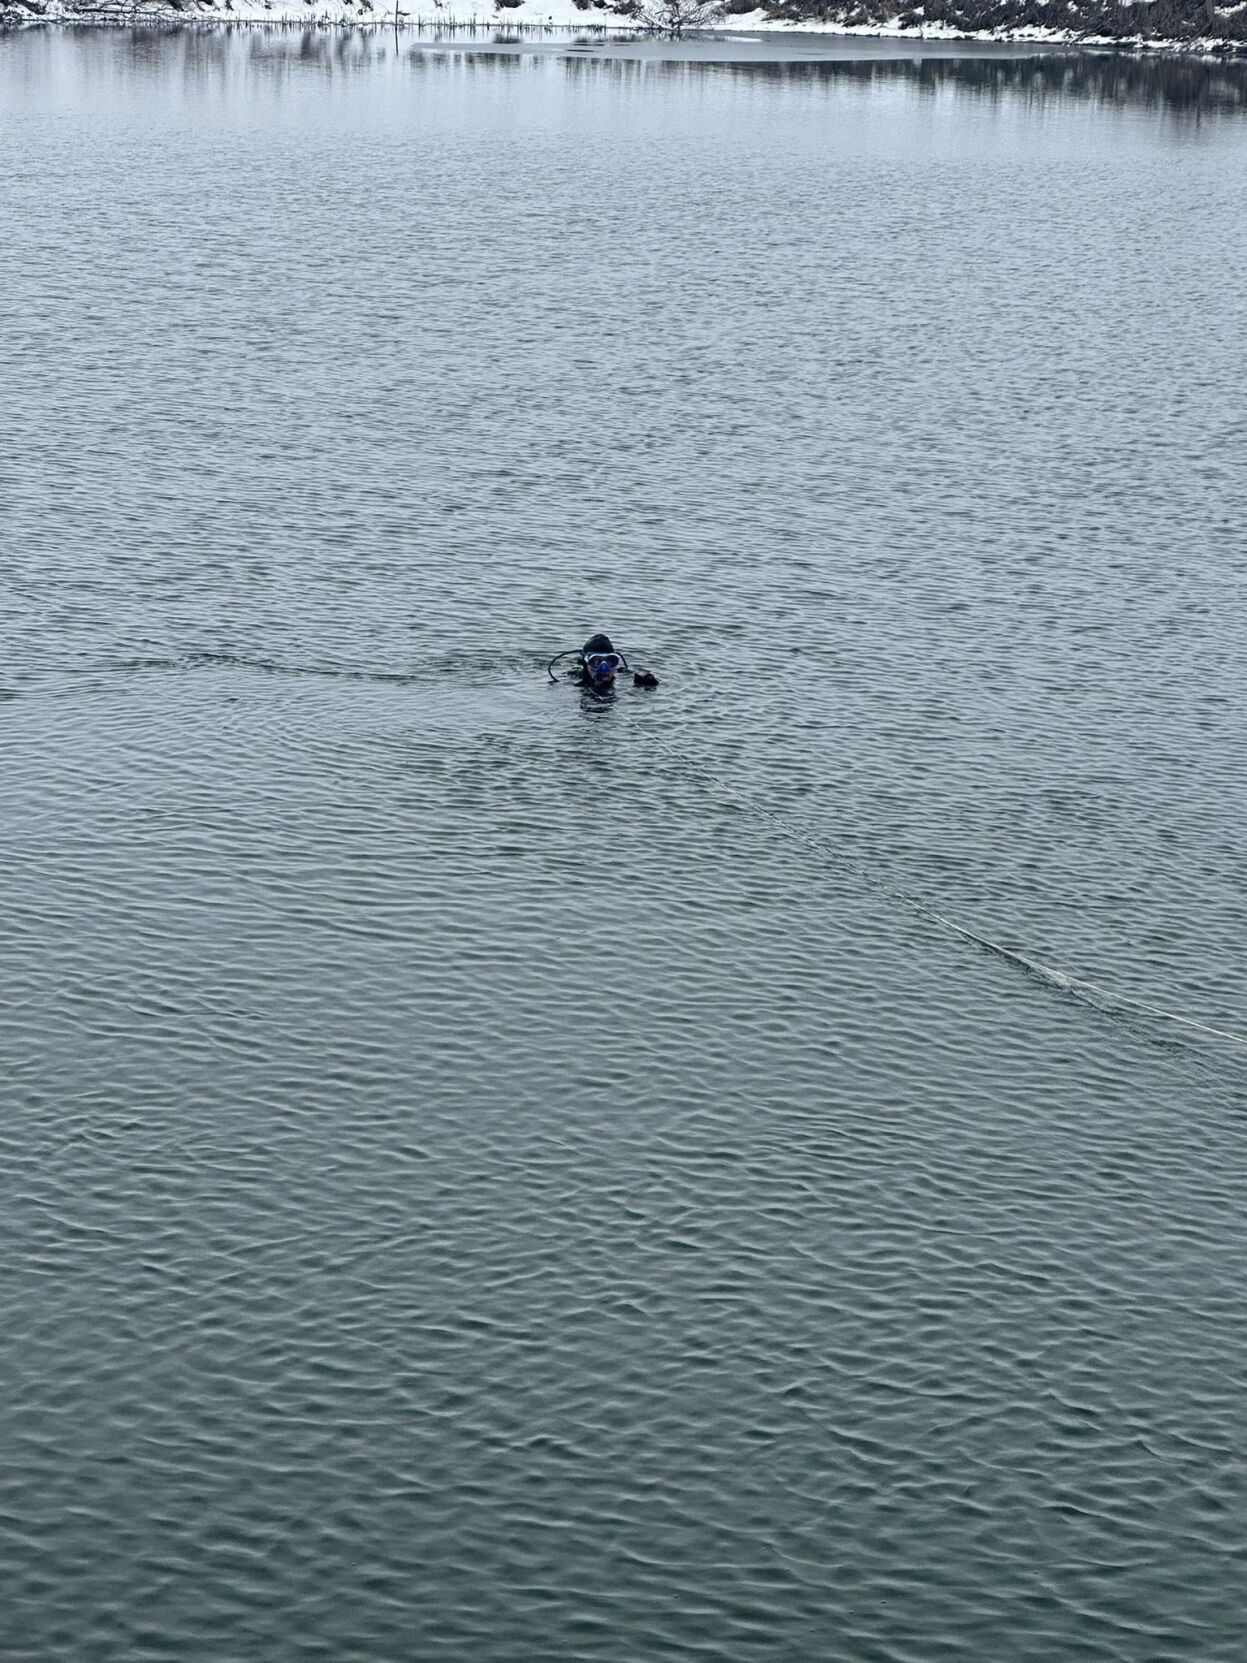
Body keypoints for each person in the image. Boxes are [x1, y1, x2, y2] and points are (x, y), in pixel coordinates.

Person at [547, 634, 659, 692]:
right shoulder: (572, 676)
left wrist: (647, 685)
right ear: (586, 663)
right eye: (596, 662)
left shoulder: (624, 675)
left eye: (610, 662)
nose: (604, 669)